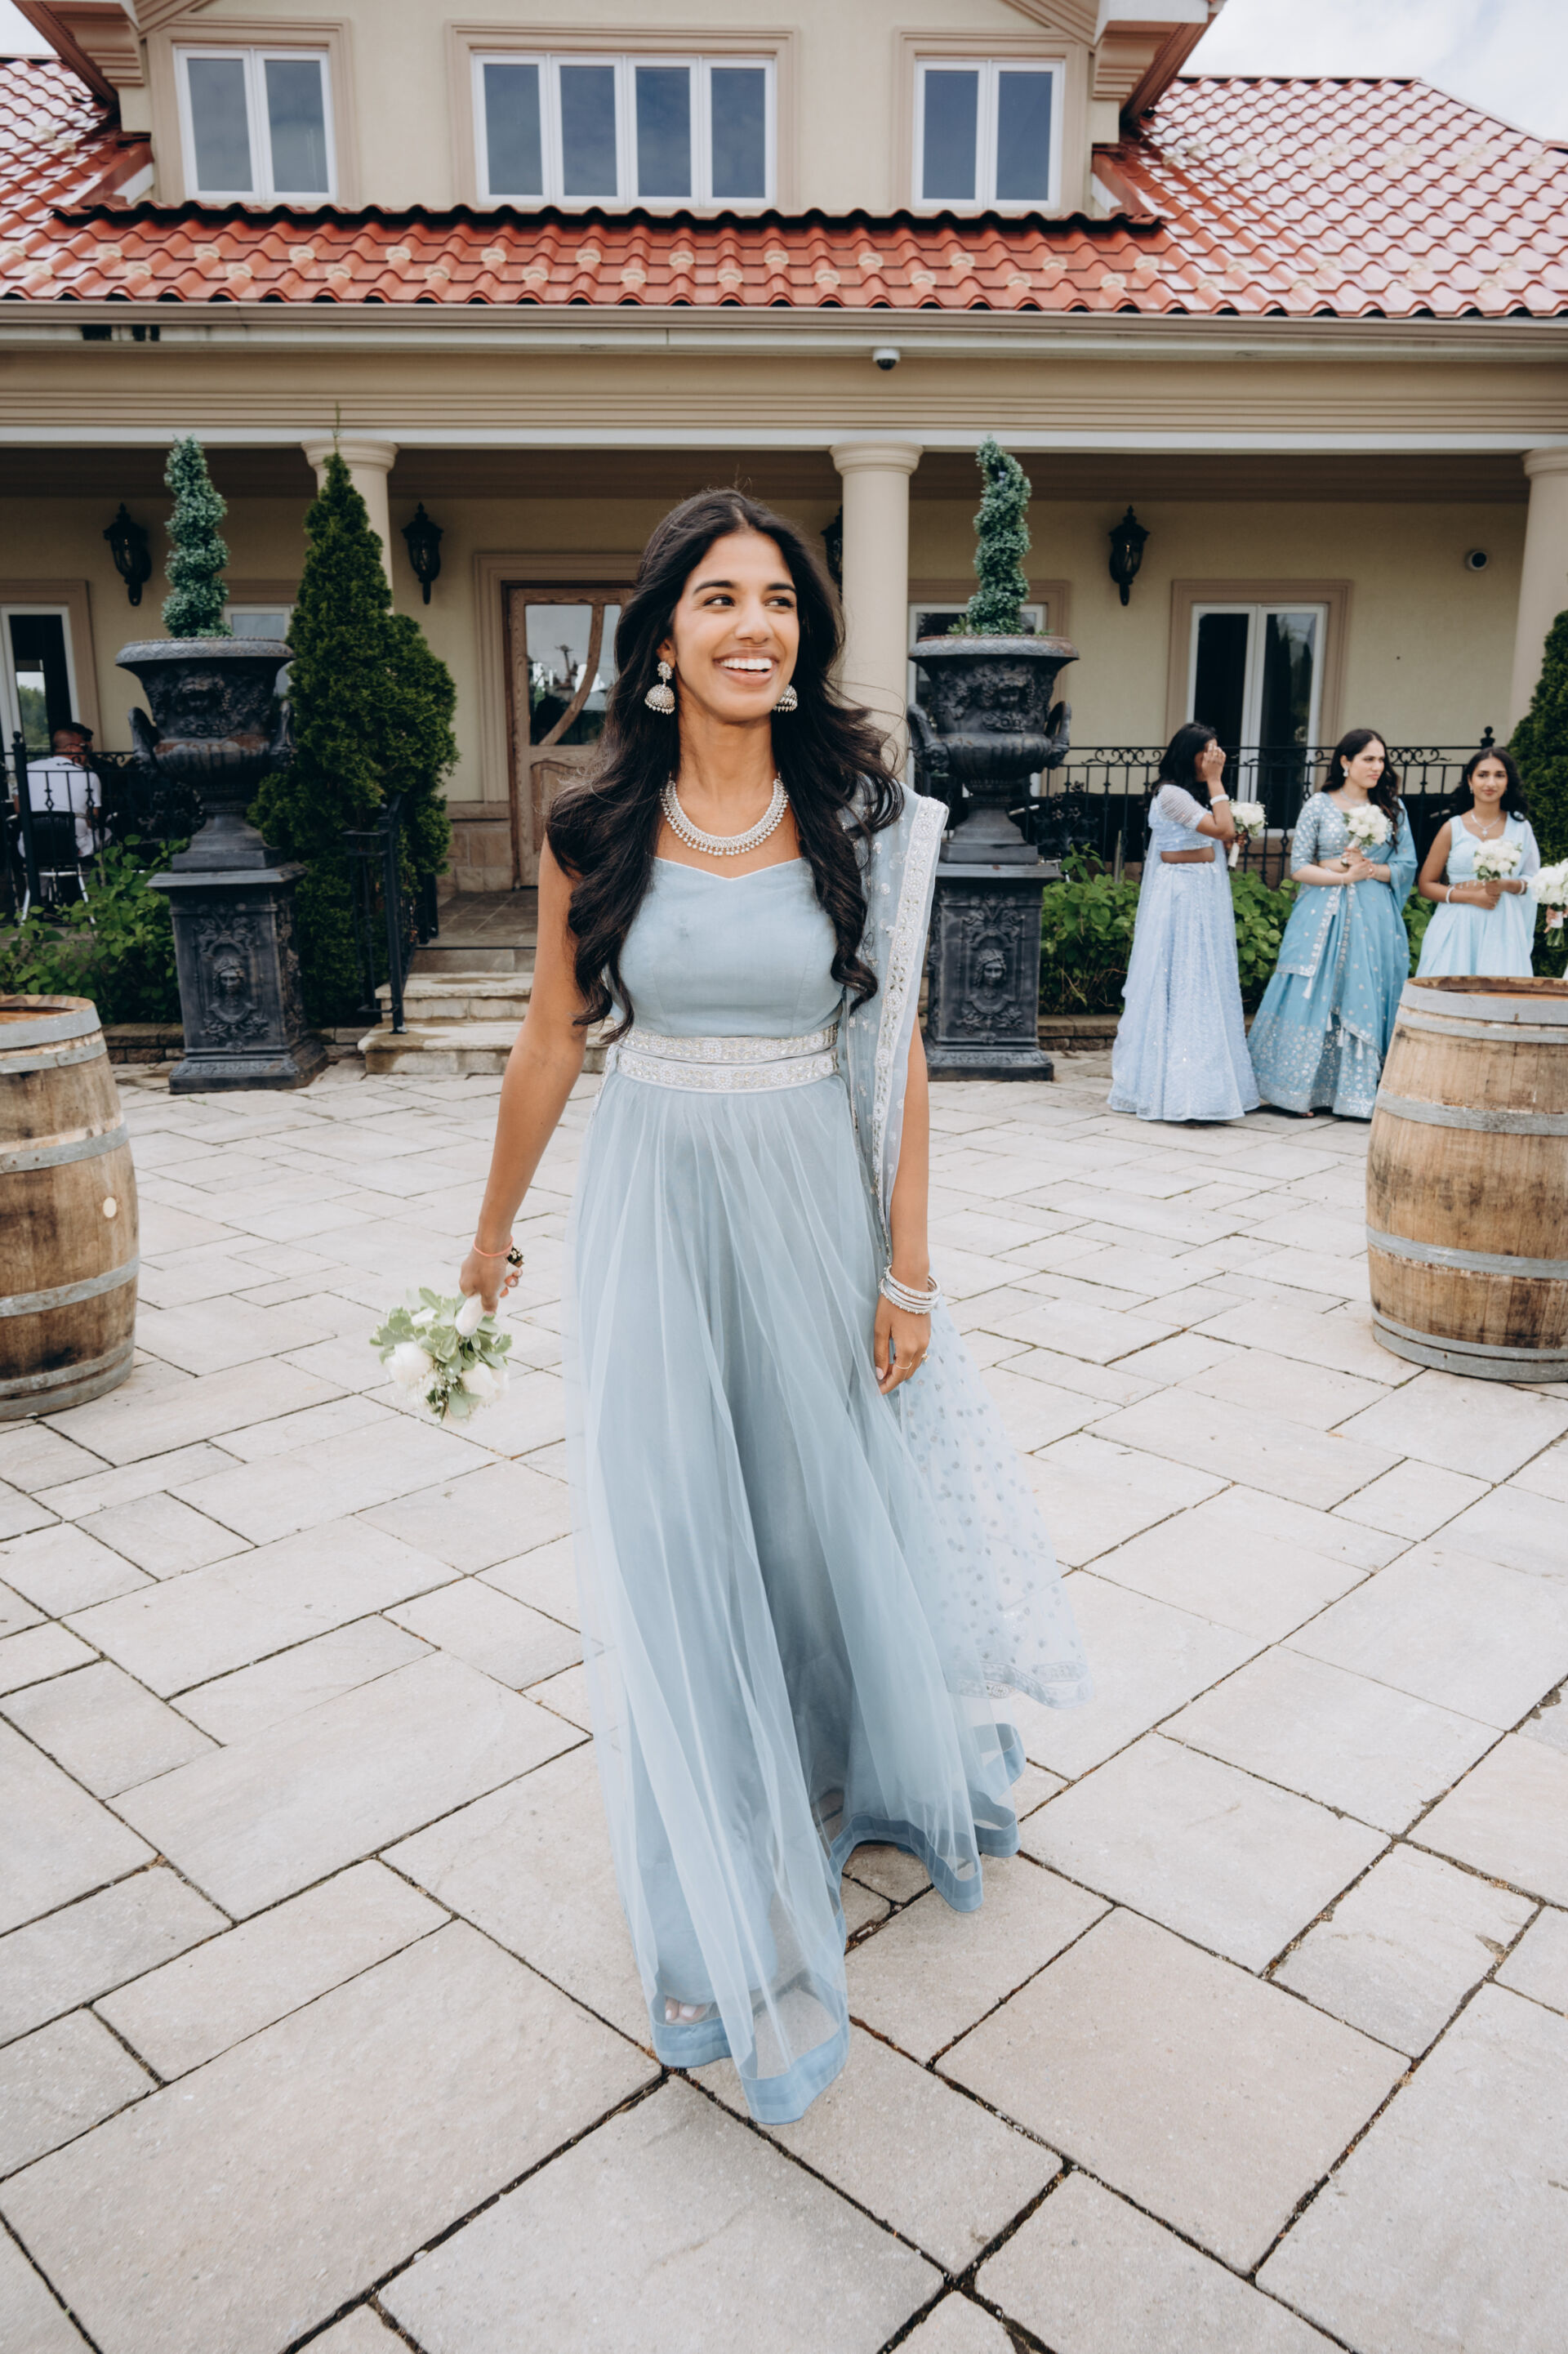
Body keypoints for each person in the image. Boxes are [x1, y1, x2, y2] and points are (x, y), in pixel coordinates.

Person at [459, 490, 1088, 2123]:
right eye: (721, 599)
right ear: (663, 640)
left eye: (781, 601)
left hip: (815, 1196)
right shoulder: (593, 828)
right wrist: (491, 1230)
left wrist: (909, 1266)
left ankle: (847, 1753)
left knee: (820, 1506)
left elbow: (900, 1046)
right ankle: (714, 1858)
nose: (756, 626)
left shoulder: (861, 818)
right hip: (658, 1203)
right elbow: (551, 1036)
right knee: (678, 1518)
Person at [1248, 728, 1417, 1118]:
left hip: (1374, 917)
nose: (1377, 766)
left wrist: (1369, 869)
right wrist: (1342, 873)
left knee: (1364, 990)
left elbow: (1406, 865)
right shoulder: (1319, 805)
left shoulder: (1393, 808)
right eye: (1368, 759)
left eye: (1381, 759)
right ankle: (1297, 1091)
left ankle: (1355, 1092)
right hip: (1321, 912)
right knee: (1313, 989)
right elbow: (1298, 867)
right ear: (1345, 761)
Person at [1108, 720, 1258, 1123]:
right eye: (1207, 752)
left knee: (1204, 981)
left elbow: (1214, 837)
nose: (1215, 758)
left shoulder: (1190, 796)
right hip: (1182, 900)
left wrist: (1222, 842)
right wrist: (1217, 783)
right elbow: (1215, 830)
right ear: (1187, 754)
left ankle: (1206, 1085)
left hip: (1201, 897)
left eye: (1218, 752)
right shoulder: (1171, 794)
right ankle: (1177, 1088)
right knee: (1184, 980)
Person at [1414, 745, 1539, 979]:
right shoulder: (1452, 828)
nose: (1490, 782)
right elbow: (1426, 884)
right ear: (1470, 781)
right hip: (1457, 925)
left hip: (1503, 926)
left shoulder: (1521, 828)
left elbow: (1532, 879)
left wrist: (1506, 884)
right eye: (1483, 775)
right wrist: (1471, 897)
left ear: (1508, 783)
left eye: (1499, 775)